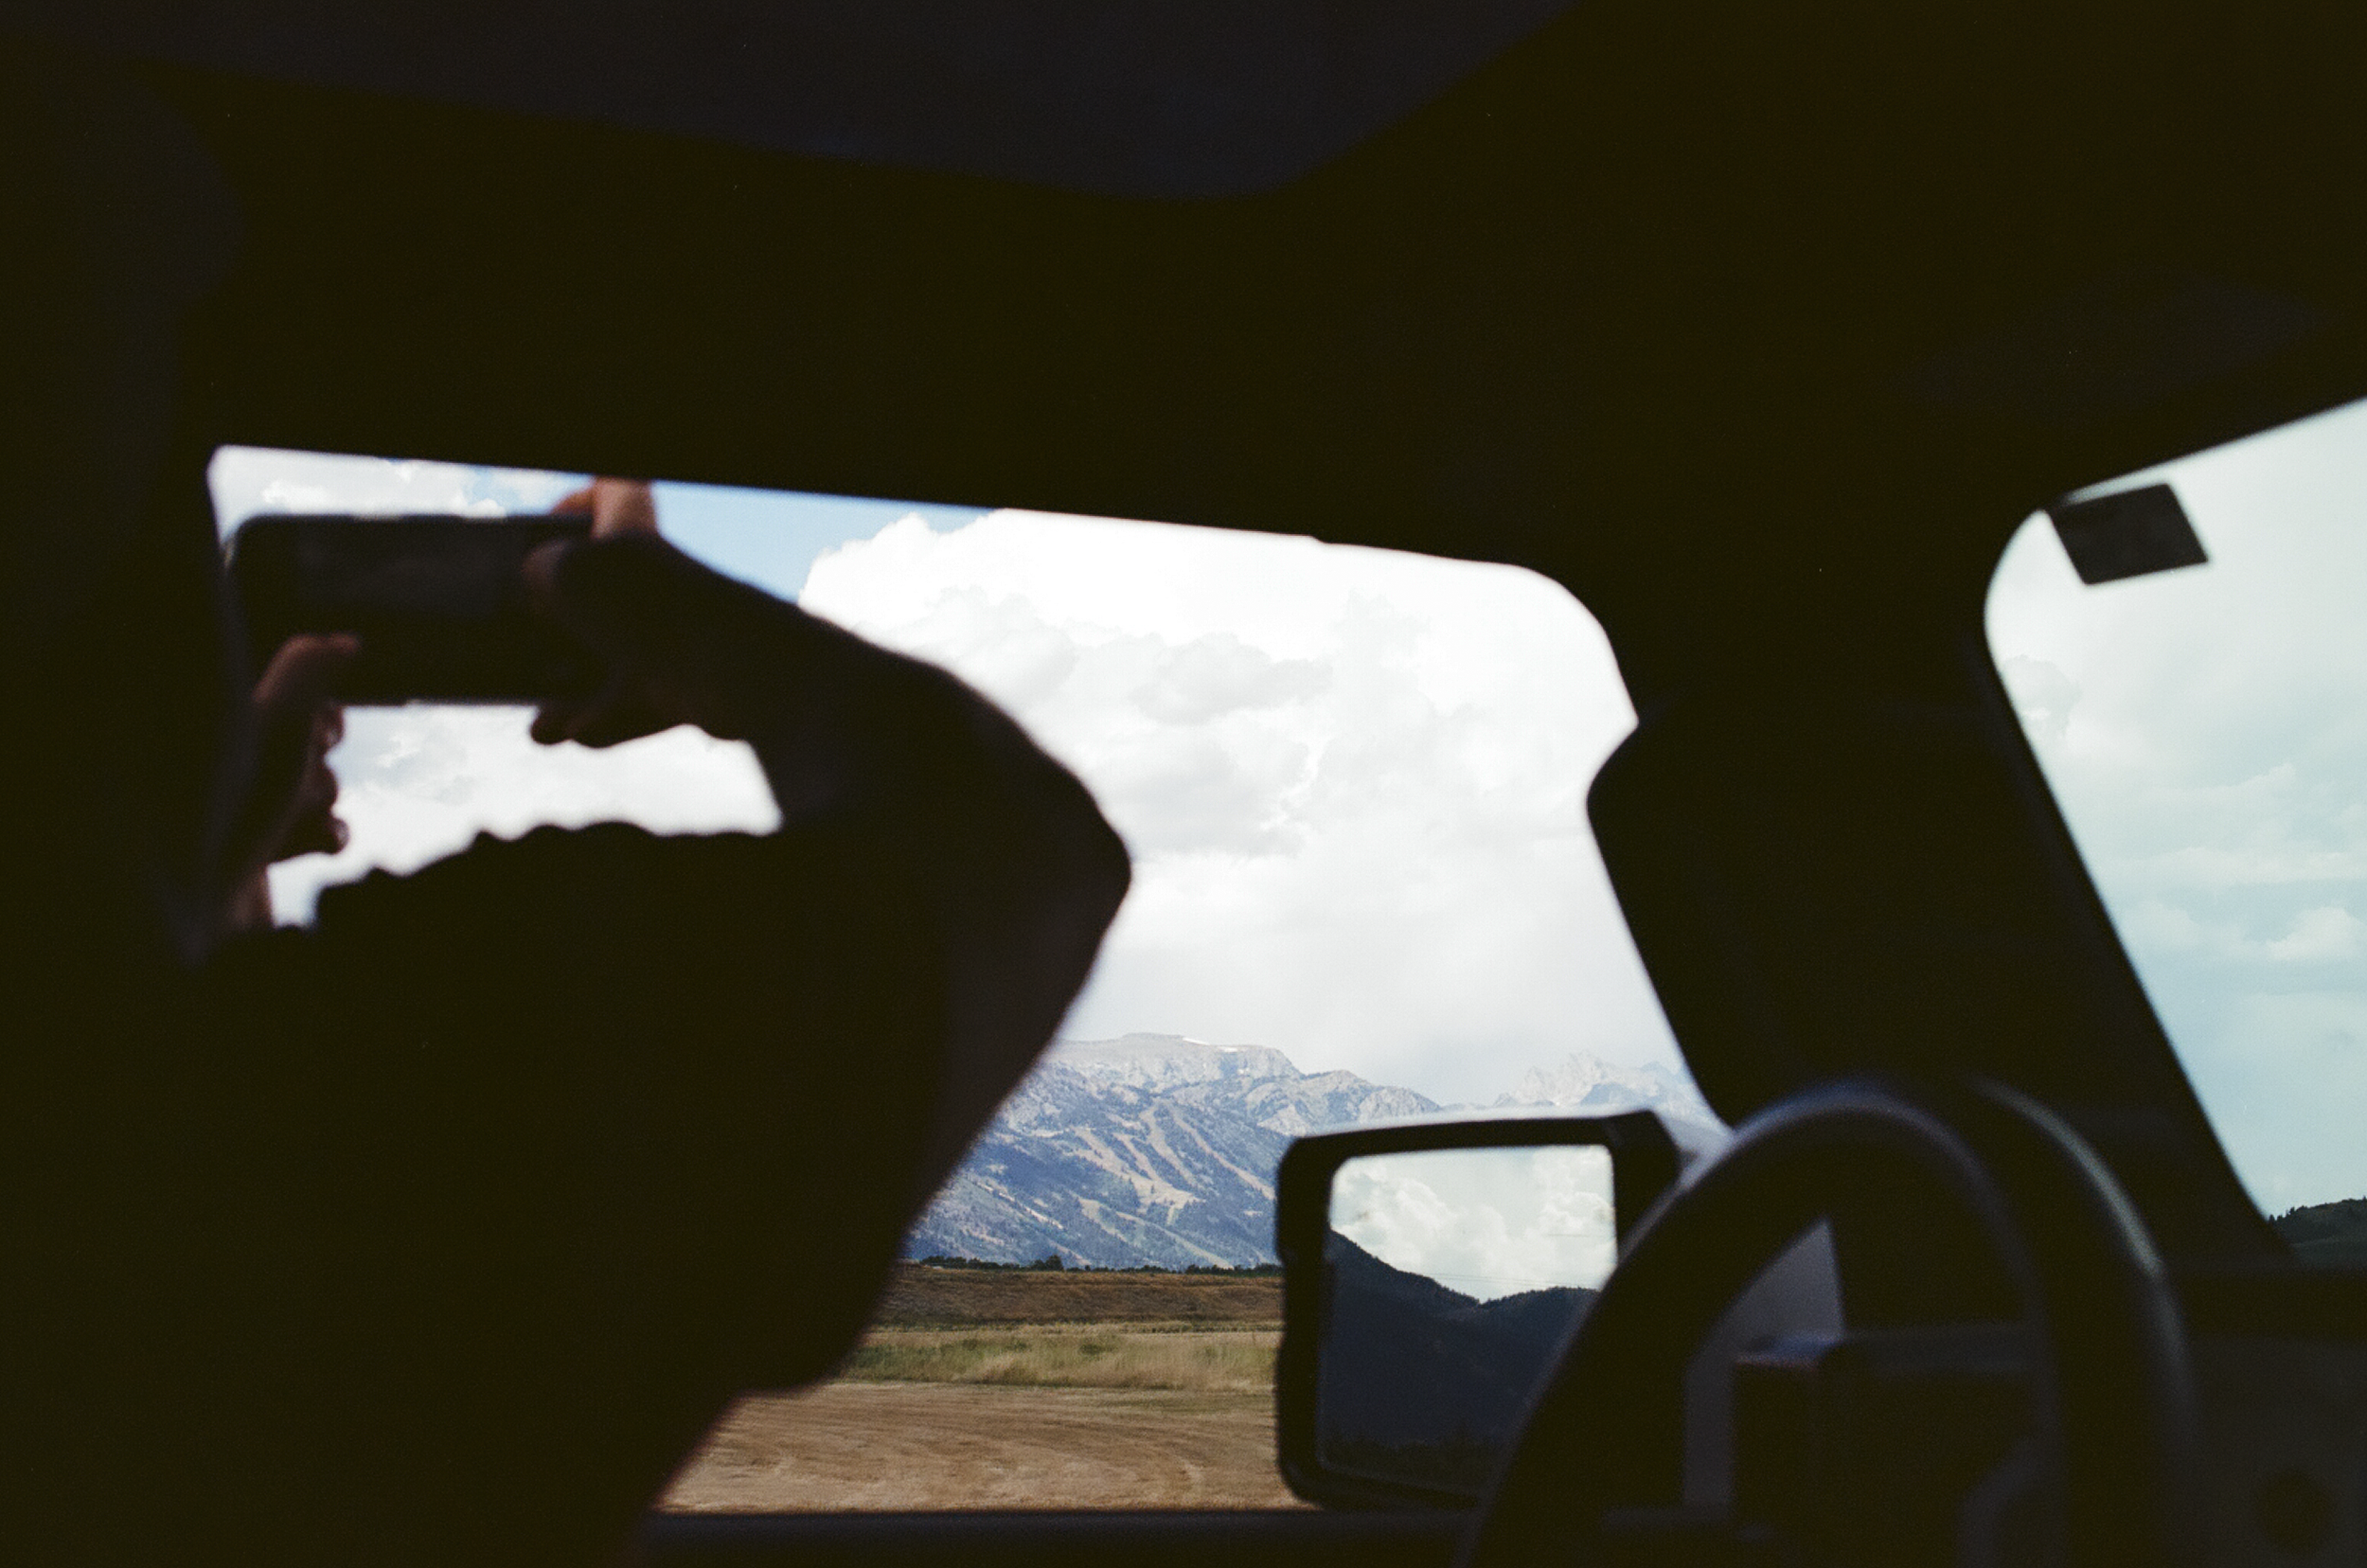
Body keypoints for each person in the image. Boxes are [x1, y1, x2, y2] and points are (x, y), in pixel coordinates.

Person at [1, 49, 1129, 1568]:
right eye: (160, 488)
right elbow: (1022, 852)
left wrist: (188, 849)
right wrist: (680, 619)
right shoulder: (278, 1156)